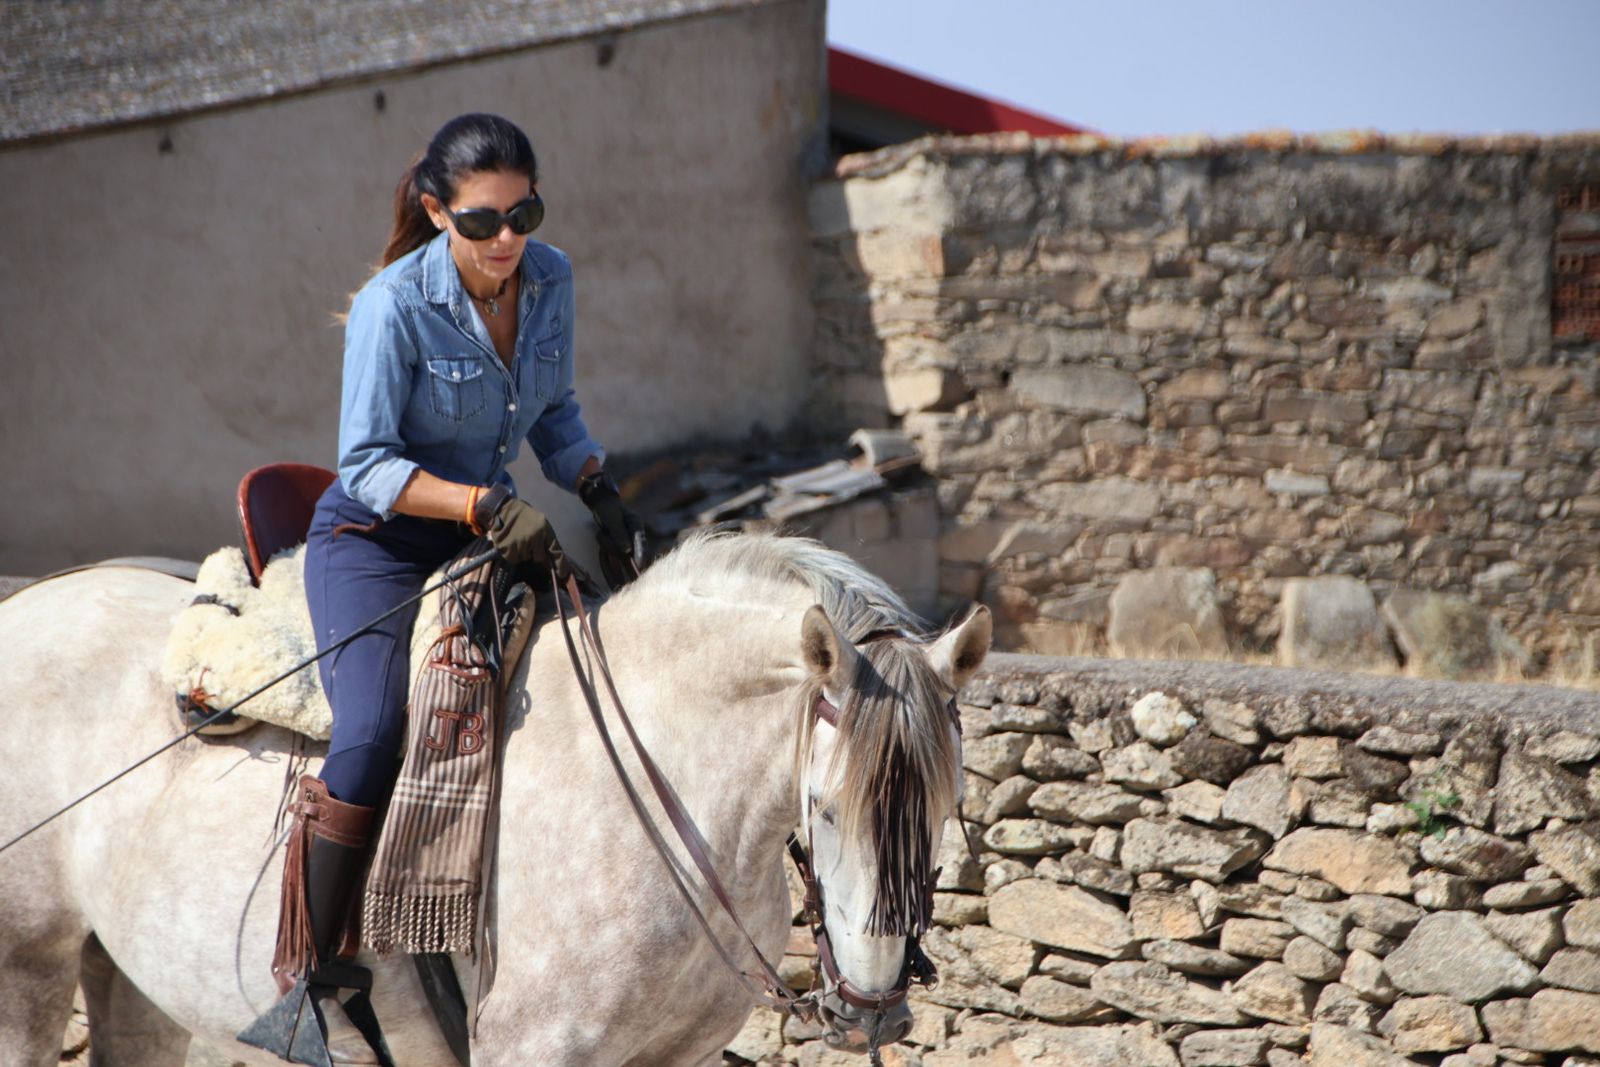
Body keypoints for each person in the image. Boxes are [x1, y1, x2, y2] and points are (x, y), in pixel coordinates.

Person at [248, 113, 642, 1064]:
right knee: (376, 727)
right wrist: (484, 507)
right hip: (377, 541)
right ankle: (308, 983)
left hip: (483, 533)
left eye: (525, 212)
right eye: (480, 222)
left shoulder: (551, 278)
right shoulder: (393, 304)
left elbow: (551, 407)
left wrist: (593, 482)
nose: (507, 238)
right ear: (436, 212)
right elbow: (370, 462)